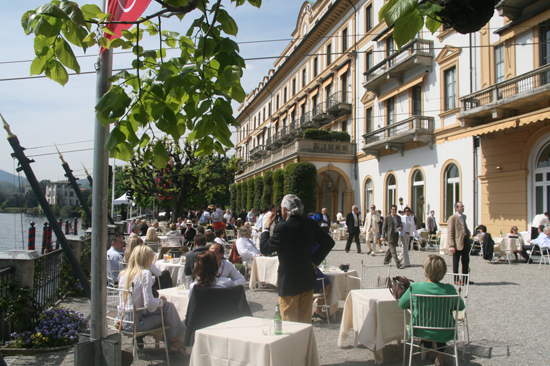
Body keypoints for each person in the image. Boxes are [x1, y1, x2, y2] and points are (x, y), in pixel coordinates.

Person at [260, 194, 335, 324]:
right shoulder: (310, 224)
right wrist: (314, 260)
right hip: (307, 277)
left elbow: (265, 248)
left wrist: (266, 228)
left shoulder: (282, 228)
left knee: (289, 321)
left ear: (284, 210)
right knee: (304, 321)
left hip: (289, 280)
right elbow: (329, 243)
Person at [117, 245, 186, 355]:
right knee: (167, 314)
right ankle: (177, 343)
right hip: (136, 322)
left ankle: (175, 343)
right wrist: (160, 302)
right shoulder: (144, 274)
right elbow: (149, 304)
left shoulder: (124, 274)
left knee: (169, 307)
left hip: (123, 319)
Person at [399, 255, 465, 366]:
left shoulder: (415, 287)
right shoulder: (449, 289)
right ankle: (440, 356)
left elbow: (402, 304)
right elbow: (460, 307)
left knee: (426, 319)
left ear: (426, 271)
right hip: (445, 329)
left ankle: (429, 349)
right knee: (440, 319)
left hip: (421, 330)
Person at [447, 202, 471, 280]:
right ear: (456, 208)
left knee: (466, 261)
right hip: (457, 243)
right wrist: (451, 245)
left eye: (463, 206)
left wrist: (469, 233)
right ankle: (456, 279)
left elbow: (464, 228)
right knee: (456, 262)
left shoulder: (464, 217)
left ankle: (464, 279)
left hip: (465, 241)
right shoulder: (453, 218)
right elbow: (450, 232)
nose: (462, 208)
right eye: (461, 206)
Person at [381, 205, 405, 269]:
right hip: (390, 235)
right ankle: (397, 263)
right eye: (393, 209)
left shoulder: (398, 217)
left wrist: (400, 227)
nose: (394, 210)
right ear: (391, 210)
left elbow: (400, 225)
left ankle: (386, 260)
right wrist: (383, 236)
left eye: (395, 209)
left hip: (395, 235)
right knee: (393, 250)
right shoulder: (387, 217)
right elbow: (384, 227)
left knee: (391, 249)